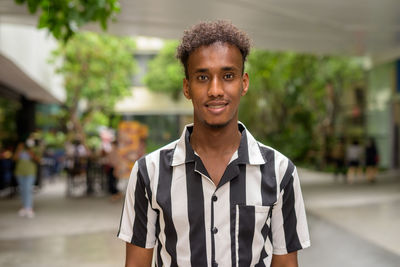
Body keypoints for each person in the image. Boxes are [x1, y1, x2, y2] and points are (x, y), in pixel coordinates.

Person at [118, 20, 310, 267]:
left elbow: (285, 263)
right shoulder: (149, 173)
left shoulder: (280, 171)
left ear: (244, 83)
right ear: (187, 87)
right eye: (202, 77)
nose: (215, 90)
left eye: (228, 76)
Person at [13, 141, 38, 218]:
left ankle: (29, 208)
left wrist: (30, 152)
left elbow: (38, 159)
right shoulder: (20, 150)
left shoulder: (34, 150)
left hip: (30, 173)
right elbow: (14, 159)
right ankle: (24, 207)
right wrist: (19, 149)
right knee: (23, 190)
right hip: (20, 172)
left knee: (28, 189)